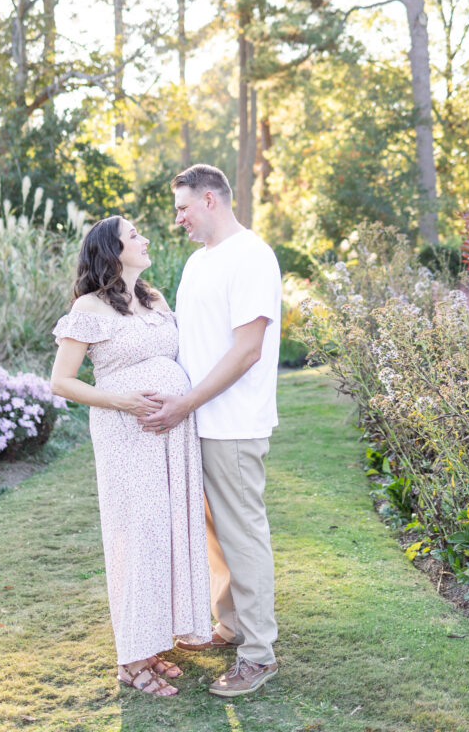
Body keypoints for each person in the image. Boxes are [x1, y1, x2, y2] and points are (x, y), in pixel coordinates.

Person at [50, 215, 211, 697]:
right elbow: (62, 381)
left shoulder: (154, 299)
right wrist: (122, 400)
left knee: (169, 530)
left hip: (173, 435)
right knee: (140, 536)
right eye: (135, 235)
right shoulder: (89, 309)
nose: (144, 239)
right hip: (128, 435)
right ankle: (131, 659)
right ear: (112, 251)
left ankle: (154, 640)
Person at [140, 164, 282, 697]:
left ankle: (259, 654)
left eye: (182, 208)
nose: (177, 219)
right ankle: (232, 625)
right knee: (216, 534)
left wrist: (186, 404)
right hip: (198, 420)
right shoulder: (201, 262)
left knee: (242, 535)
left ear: (210, 200)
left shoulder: (251, 257)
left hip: (233, 423)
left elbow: (247, 350)